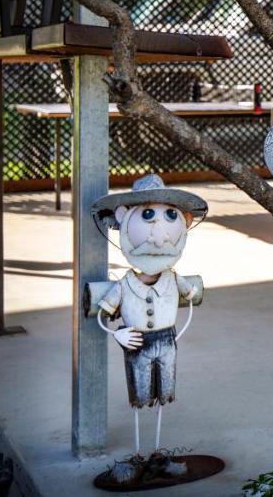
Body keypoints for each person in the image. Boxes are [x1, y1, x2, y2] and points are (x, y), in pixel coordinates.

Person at [92, 174, 206, 483]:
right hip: (138, 342)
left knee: (163, 395)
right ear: (123, 219)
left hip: (167, 341)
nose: (159, 237)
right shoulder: (125, 284)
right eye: (147, 215)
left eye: (170, 216)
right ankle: (138, 455)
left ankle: (157, 453)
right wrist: (117, 333)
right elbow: (105, 316)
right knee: (140, 396)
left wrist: (190, 294)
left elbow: (188, 293)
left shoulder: (171, 277)